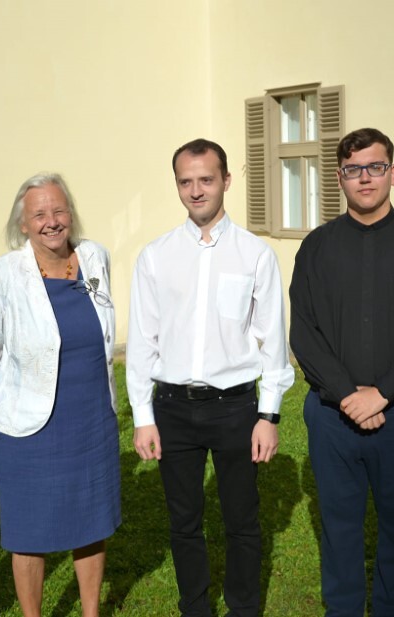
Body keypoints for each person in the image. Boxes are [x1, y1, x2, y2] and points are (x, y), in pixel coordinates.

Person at [289, 127, 394, 616]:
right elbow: (304, 333)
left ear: (393, 173)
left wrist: (381, 393)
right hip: (332, 417)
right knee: (338, 527)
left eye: (375, 167)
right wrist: (347, 395)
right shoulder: (316, 247)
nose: (365, 178)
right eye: (353, 169)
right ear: (339, 177)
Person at [127, 138, 294, 617]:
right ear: (177, 185)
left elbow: (273, 342)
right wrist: (142, 416)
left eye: (206, 179)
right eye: (186, 181)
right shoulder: (155, 256)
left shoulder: (254, 254)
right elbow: (142, 342)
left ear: (226, 181)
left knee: (242, 521)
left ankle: (243, 609)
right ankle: (195, 608)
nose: (196, 190)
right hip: (172, 409)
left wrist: (268, 416)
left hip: (235, 408)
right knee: (183, 522)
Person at [0, 173, 120, 617]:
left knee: (91, 521)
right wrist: (17, 397)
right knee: (27, 531)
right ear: (22, 224)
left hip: (92, 416)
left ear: (70, 213)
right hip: (30, 426)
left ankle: (91, 612)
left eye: (58, 210)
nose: (51, 221)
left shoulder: (95, 257)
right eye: (39, 214)